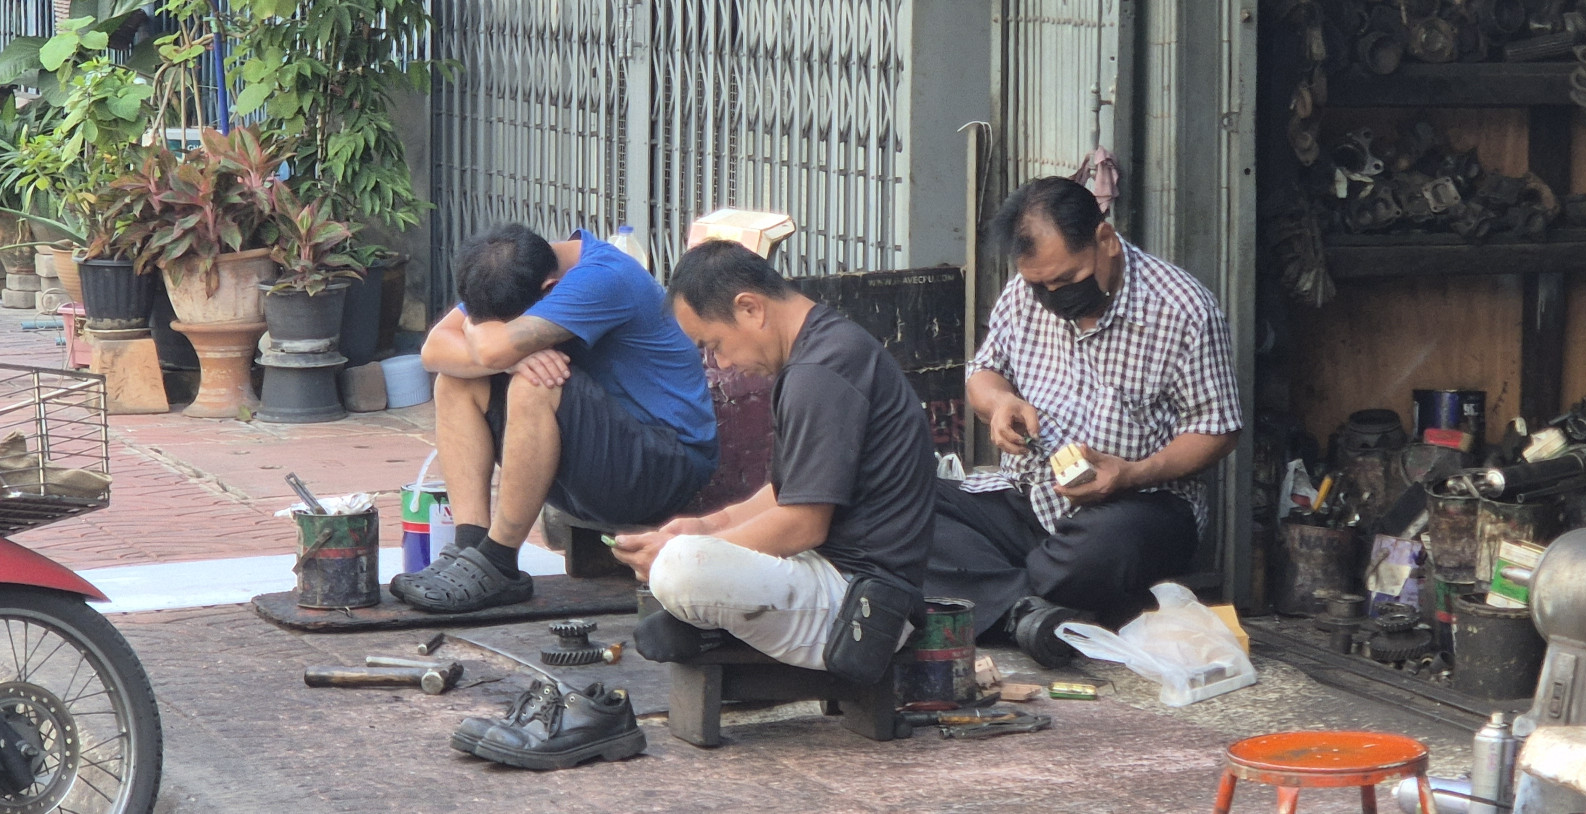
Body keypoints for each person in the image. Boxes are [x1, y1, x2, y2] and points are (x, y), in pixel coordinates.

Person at [927, 177, 1244, 667]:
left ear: (1106, 240)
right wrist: (1000, 403)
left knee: (1104, 549)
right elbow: (983, 373)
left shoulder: (1183, 310)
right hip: (1028, 499)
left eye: (1067, 280)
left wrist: (1132, 473)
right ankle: (1032, 607)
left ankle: (997, 595)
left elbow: (1218, 428)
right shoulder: (1024, 292)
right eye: (1041, 286)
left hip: (1136, 508)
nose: (1054, 296)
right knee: (895, 504)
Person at [611, 240, 935, 670]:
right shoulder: (822, 351)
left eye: (715, 344)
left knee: (680, 568)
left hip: (860, 602)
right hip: (829, 573)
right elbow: (790, 491)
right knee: (685, 559)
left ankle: (711, 622)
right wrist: (708, 525)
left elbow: (802, 524)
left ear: (750, 308)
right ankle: (713, 619)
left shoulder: (819, 371)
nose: (722, 363)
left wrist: (689, 550)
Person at [393, 223, 718, 613]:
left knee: (536, 383)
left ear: (550, 289)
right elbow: (433, 351)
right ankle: (470, 547)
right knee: (455, 381)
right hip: (597, 462)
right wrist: (507, 353)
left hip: (663, 470)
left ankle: (499, 562)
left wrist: (491, 343)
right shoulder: (511, 268)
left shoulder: (603, 278)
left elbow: (491, 350)